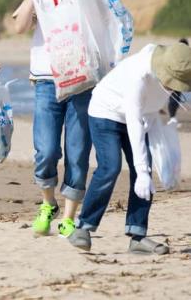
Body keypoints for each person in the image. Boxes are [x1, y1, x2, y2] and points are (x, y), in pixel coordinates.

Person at [12, 0, 99, 237]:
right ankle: (48, 204)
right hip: (47, 79)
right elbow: (20, 26)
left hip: (82, 79)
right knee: (46, 150)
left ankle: (70, 216)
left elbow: (109, 26)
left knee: (77, 151)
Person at [68, 43, 191, 254]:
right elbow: (133, 122)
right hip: (106, 113)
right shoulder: (139, 77)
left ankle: (137, 236)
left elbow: (151, 113)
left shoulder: (171, 71)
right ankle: (83, 227)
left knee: (145, 177)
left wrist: (150, 165)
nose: (174, 87)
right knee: (111, 167)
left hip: (140, 117)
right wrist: (142, 171)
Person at [167, 38, 188, 122]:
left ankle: (172, 117)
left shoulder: (173, 53)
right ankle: (172, 117)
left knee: (175, 96)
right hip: (177, 78)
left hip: (177, 78)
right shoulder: (176, 53)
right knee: (175, 96)